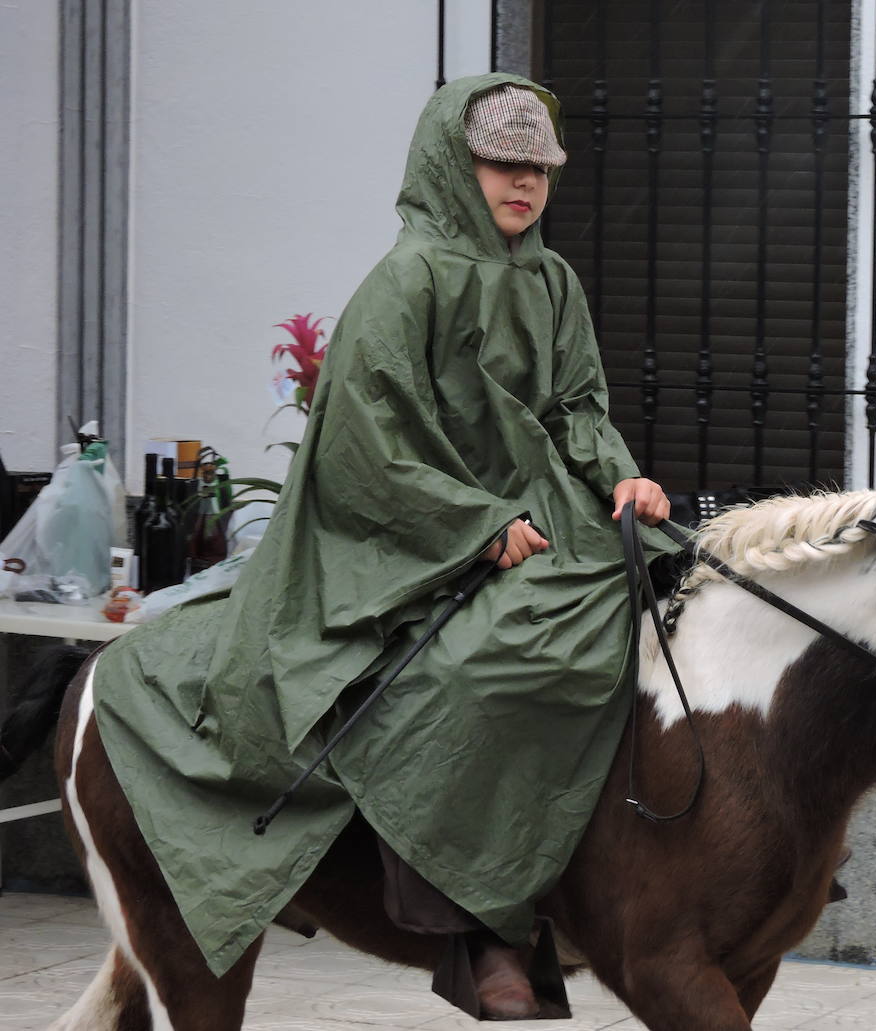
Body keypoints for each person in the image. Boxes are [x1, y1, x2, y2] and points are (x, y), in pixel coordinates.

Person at [91, 73, 678, 1021]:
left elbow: (576, 408)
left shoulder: (554, 280)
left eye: (540, 167)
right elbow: (370, 442)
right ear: (456, 162)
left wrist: (618, 473)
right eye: (503, 163)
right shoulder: (406, 281)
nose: (524, 183)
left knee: (671, 600)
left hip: (546, 518)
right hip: (402, 535)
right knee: (481, 668)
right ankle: (481, 922)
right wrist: (475, 525)